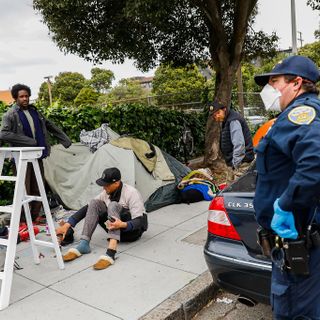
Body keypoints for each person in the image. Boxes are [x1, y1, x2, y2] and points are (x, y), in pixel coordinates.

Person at [253, 55, 320, 319]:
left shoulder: (300, 113)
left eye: (275, 81)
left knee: (294, 312)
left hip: (298, 246)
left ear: (297, 83)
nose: (269, 89)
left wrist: (285, 204)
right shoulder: (298, 114)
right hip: (299, 244)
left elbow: (315, 160)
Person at [0, 84, 71, 222]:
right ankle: (23, 219)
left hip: (37, 156)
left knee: (38, 187)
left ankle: (35, 216)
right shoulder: (10, 114)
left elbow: (49, 125)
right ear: (16, 98)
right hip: (21, 158)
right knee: (24, 190)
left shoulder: (35, 111)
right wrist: (28, 141)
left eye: (27, 96)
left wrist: (65, 140)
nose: (25, 99)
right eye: (21, 96)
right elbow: (3, 134)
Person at [57, 167, 148, 270]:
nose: (104, 188)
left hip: (132, 232)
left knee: (113, 205)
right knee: (94, 203)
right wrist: (67, 224)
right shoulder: (106, 193)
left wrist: (122, 224)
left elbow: (140, 221)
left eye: (106, 185)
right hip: (117, 229)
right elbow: (87, 208)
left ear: (117, 183)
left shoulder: (131, 193)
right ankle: (84, 244)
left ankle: (111, 252)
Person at [210, 100, 254, 183]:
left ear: (224, 109)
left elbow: (239, 144)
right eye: (214, 115)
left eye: (218, 113)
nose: (217, 116)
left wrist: (236, 164)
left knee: (240, 189)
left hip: (241, 163)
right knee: (230, 189)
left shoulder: (233, 120)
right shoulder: (227, 120)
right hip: (234, 163)